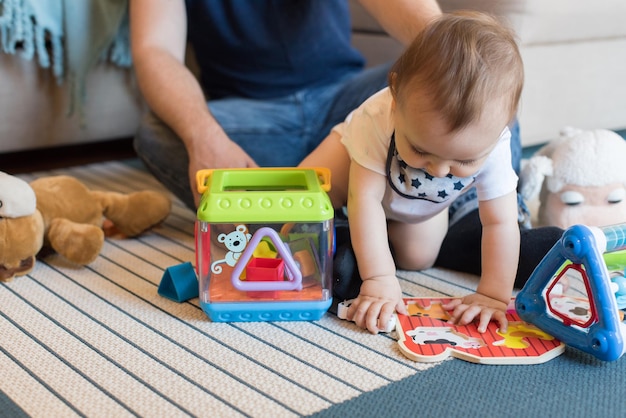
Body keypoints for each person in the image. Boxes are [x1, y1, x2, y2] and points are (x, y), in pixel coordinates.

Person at [300, 11, 542, 334]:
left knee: (419, 257)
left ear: (502, 129)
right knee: (305, 198)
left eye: (463, 163)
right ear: (396, 96)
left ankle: (346, 239)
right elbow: (365, 199)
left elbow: (500, 222)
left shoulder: (495, 147)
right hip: (353, 172)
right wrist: (380, 279)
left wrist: (492, 295)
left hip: (415, 206)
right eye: (421, 149)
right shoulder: (377, 117)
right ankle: (347, 237)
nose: (441, 170)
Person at [129, 0, 442, 210]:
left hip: (346, 104)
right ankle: (345, 222)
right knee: (158, 133)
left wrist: (449, 52)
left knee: (411, 85)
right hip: (255, 128)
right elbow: (155, 49)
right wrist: (204, 137)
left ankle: (314, 215)